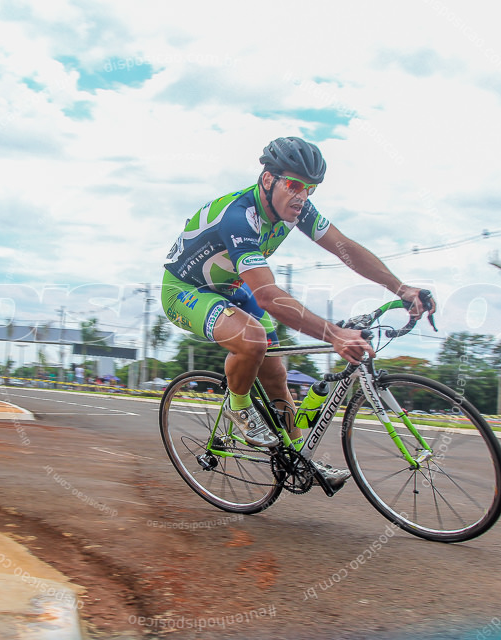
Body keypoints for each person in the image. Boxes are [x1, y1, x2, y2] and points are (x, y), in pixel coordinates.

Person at [161, 137, 434, 488]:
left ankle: (300, 460)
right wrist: (334, 335)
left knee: (275, 371)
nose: (301, 196)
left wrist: (402, 289)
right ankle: (239, 406)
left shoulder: (298, 210)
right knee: (252, 339)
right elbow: (269, 296)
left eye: (310, 189)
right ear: (267, 180)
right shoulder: (238, 217)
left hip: (232, 287)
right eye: (293, 185)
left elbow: (345, 247)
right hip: (185, 290)